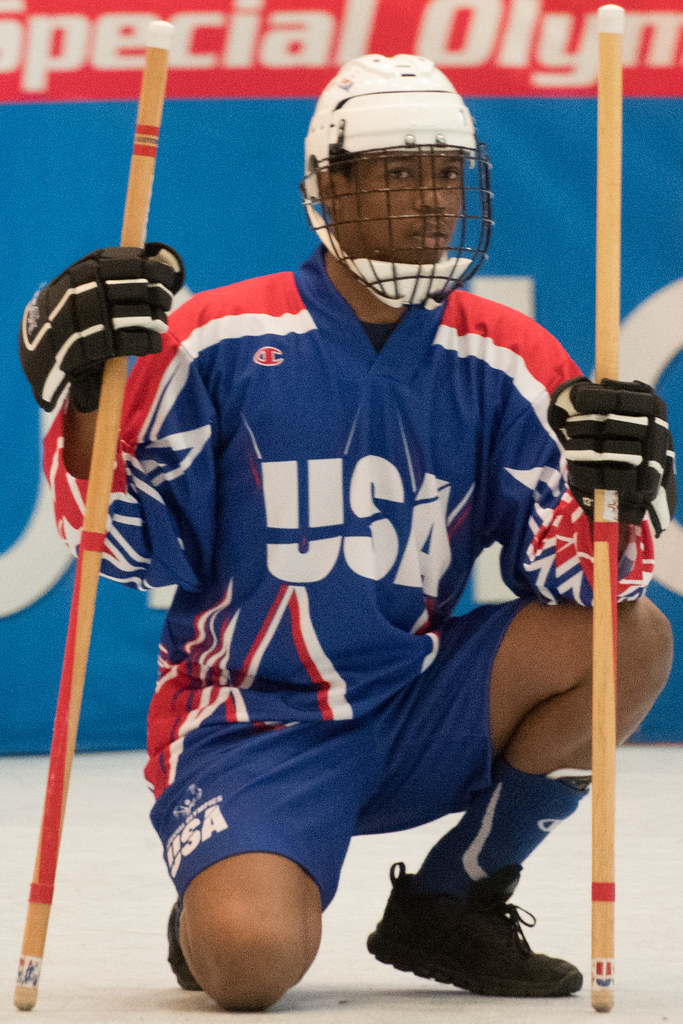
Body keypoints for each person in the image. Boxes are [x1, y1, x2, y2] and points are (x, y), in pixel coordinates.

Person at [19, 54, 675, 1011]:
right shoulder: (215, 341)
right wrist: (83, 412)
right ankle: (226, 883)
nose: (431, 202)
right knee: (247, 968)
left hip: (416, 696)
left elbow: (576, 579)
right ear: (330, 187)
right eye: (400, 172)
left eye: (447, 173)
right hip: (255, 718)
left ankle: (458, 896)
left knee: (634, 638)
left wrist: (613, 495)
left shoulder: (504, 355)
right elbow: (129, 552)